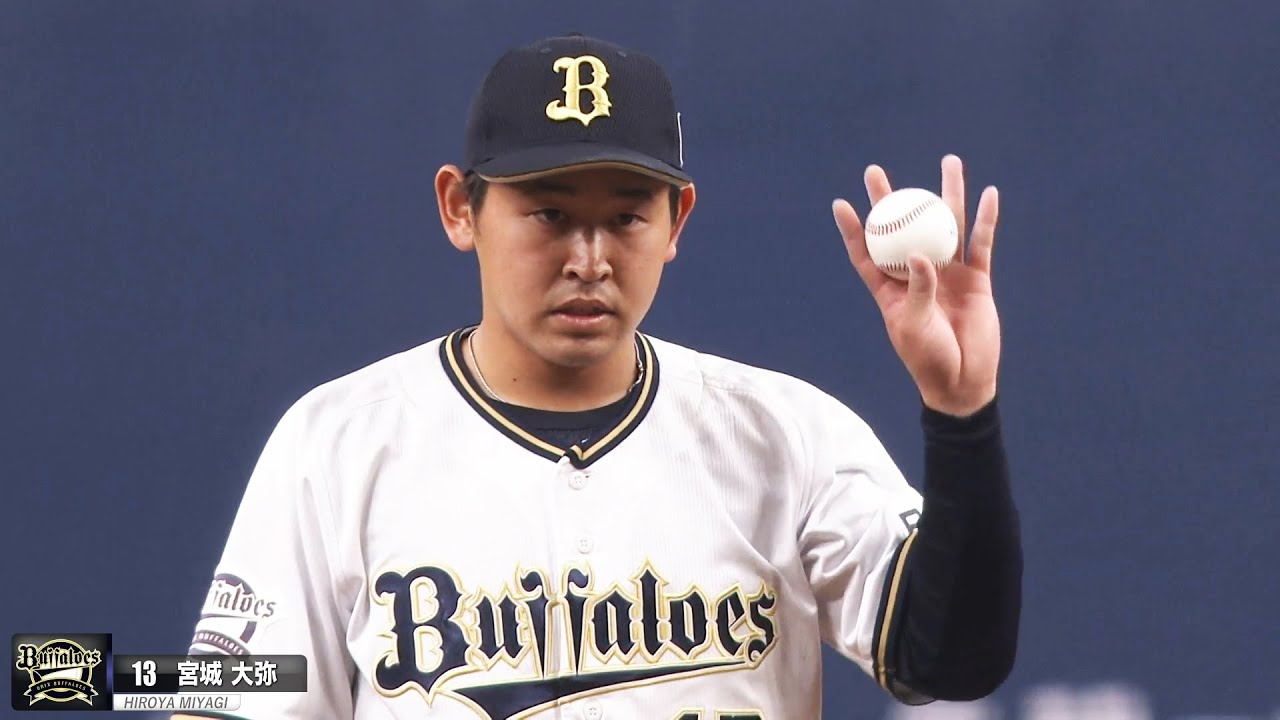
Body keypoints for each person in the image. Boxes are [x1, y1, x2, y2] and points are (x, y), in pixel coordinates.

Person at [175, 32, 1021, 720]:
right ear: (460, 209)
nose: (589, 258)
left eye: (625, 216)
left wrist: (961, 412)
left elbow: (954, 661)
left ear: (676, 220)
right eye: (549, 213)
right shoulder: (337, 443)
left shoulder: (787, 436)